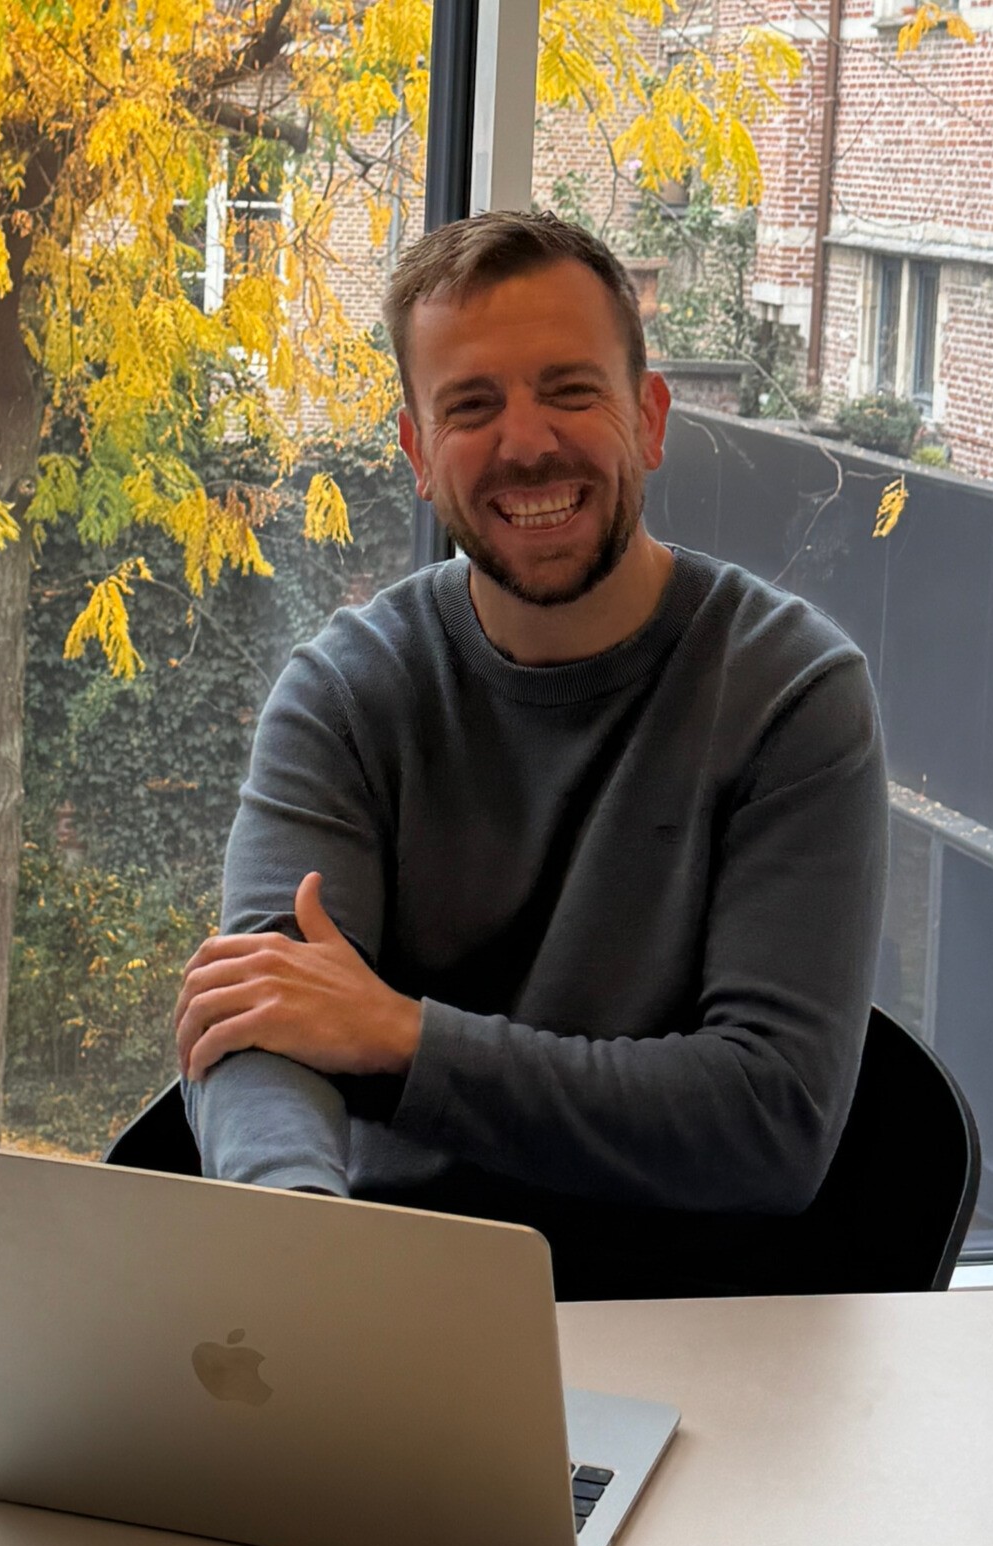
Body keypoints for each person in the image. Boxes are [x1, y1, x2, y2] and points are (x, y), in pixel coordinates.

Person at [172, 210, 887, 1296]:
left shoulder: (790, 692)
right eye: (471, 405)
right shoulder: (347, 691)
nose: (527, 442)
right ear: (416, 454)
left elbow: (769, 1120)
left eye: (569, 390)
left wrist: (405, 1040)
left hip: (688, 1321)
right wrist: (300, 1235)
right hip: (394, 1299)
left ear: (648, 418)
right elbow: (261, 1026)